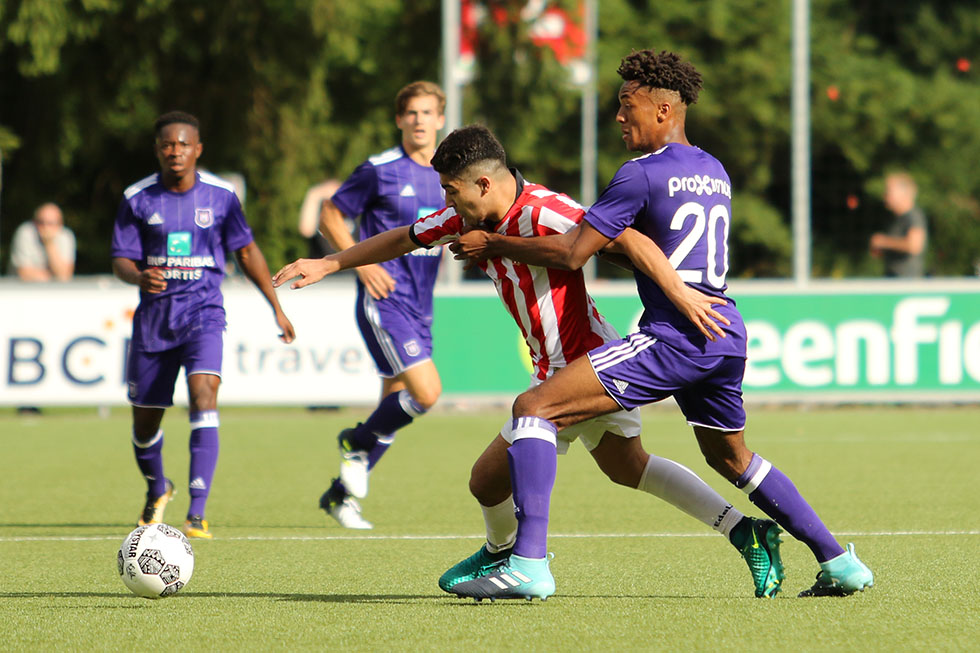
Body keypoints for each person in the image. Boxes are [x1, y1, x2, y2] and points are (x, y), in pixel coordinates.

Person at [274, 124, 787, 599]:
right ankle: (745, 530)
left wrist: (680, 293)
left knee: (493, 472)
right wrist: (329, 262)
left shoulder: (547, 209)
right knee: (627, 468)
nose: (445, 200)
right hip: (556, 364)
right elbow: (405, 238)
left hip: (585, 362)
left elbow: (629, 239)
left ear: (480, 183)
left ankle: (518, 560)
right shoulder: (462, 216)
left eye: (451, 189)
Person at [448, 50, 874, 601]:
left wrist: (495, 242)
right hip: (723, 328)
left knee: (534, 407)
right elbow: (638, 249)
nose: (619, 116)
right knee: (732, 458)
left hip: (674, 338)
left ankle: (527, 564)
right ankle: (839, 562)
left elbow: (576, 253)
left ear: (664, 107)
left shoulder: (639, 174)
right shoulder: (714, 170)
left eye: (629, 105)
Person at [111, 110, 295, 539]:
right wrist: (138, 274)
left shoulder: (221, 196)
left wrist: (276, 307)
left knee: (204, 393)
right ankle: (158, 487)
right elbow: (120, 257)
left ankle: (197, 511)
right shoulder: (137, 197)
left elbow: (247, 252)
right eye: (167, 145)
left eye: (183, 144)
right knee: (144, 425)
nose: (175, 151)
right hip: (155, 323)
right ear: (158, 150)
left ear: (198, 149)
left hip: (203, 314)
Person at [311, 81, 447, 529]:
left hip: (421, 305)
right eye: (411, 113)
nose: (419, 120)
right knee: (426, 393)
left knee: (393, 405)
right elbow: (329, 214)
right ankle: (353, 441)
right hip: (383, 299)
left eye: (428, 113)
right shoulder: (379, 169)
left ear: (440, 120)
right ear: (399, 120)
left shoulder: (452, 173)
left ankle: (341, 495)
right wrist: (361, 265)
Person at [870, 171, 927, 277]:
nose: (885, 196)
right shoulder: (895, 218)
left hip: (906, 283)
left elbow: (914, 245)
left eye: (889, 192)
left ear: (903, 193)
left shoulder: (913, 216)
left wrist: (883, 242)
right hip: (892, 279)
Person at [9, 202, 75, 281]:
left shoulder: (66, 237)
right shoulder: (25, 232)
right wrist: (54, 276)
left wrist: (49, 244)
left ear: (60, 224)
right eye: (40, 222)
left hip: (56, 291)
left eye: (50, 223)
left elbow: (64, 275)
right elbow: (23, 273)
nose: (45, 227)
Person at [298, 179, 342, 259]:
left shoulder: (354, 216)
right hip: (322, 268)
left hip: (353, 269)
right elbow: (306, 230)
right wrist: (314, 194)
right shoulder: (319, 216)